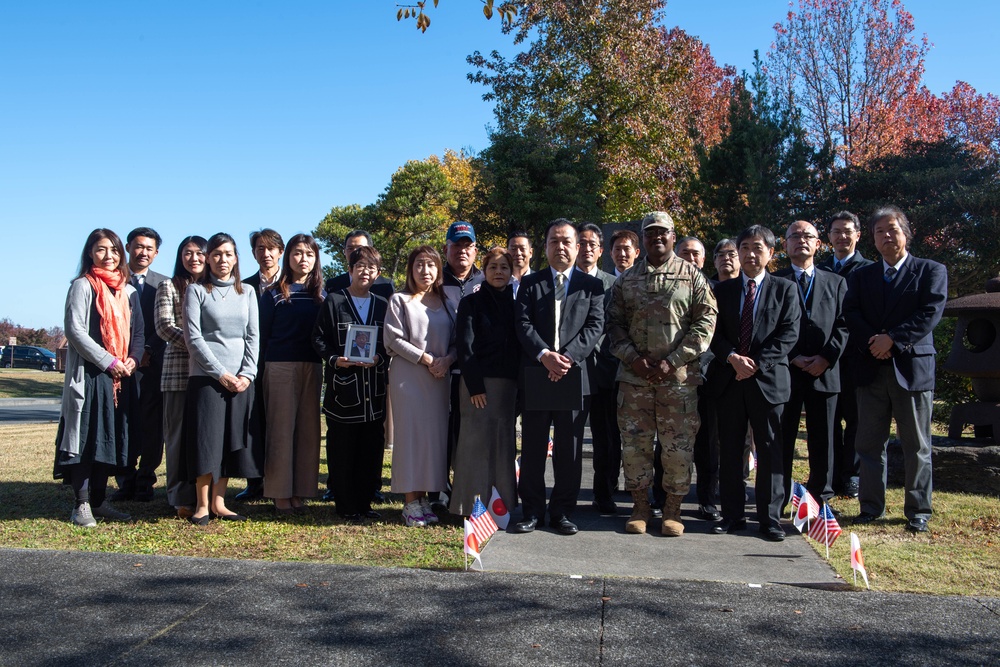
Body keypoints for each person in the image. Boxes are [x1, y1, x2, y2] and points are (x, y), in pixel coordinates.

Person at [607, 213, 717, 536]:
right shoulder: (625, 280)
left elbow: (705, 323)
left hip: (678, 382)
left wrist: (674, 360)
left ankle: (673, 510)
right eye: (650, 233)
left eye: (662, 233)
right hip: (634, 379)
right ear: (642, 239)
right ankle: (640, 507)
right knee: (635, 446)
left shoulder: (693, 277)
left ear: (673, 236)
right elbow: (613, 325)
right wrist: (632, 358)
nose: (656, 237)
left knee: (678, 448)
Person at [844, 206, 947, 533]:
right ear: (872, 238)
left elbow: (930, 313)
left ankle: (918, 510)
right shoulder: (862, 276)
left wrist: (893, 339)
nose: (887, 236)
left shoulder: (931, 270)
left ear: (906, 232)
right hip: (871, 368)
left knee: (917, 445)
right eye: (879, 231)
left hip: (912, 369)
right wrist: (875, 342)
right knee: (869, 443)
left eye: (893, 229)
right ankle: (871, 507)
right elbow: (852, 314)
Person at [707, 225, 800, 541]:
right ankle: (732, 515)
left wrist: (756, 363)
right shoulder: (722, 291)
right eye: (743, 247)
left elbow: (788, 333)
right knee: (731, 450)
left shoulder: (785, 289)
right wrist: (732, 357)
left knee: (771, 451)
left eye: (757, 247)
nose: (749, 253)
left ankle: (769, 518)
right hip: (729, 380)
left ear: (772, 253)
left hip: (769, 381)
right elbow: (712, 334)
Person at [513, 219, 604, 536]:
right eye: (554, 241)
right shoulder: (530, 283)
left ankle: (562, 511)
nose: (560, 246)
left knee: (570, 449)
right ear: (546, 247)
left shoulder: (592, 286)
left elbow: (595, 327)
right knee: (534, 448)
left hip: (572, 374)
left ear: (578, 247)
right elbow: (522, 324)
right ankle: (532, 511)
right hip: (537, 373)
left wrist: (565, 358)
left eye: (567, 241)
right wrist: (544, 356)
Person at [54, 229, 144, 527]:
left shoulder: (127, 291)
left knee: (108, 439)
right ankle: (81, 505)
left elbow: (139, 334)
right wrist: (109, 361)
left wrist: (131, 360)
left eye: (115, 250)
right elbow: (75, 331)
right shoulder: (82, 286)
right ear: (90, 253)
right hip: (91, 375)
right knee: (85, 439)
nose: (109, 256)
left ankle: (99, 501)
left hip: (119, 379)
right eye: (102, 249)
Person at [183, 232, 260, 525]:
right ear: (208, 259)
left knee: (229, 441)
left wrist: (247, 374)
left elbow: (253, 336)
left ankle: (219, 502)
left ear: (236, 258)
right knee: (206, 441)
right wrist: (220, 373)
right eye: (216, 254)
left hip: (240, 380)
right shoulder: (197, 291)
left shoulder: (248, 292)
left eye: (228, 254)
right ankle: (202, 505)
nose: (222, 260)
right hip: (206, 379)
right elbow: (194, 338)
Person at [312, 245, 389, 522]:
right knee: (343, 448)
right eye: (360, 266)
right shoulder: (334, 301)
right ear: (350, 270)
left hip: (373, 390)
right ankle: (345, 504)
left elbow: (387, 342)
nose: (365, 271)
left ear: (378, 273)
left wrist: (380, 357)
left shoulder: (382, 304)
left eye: (371, 267)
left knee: (371, 448)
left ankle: (365, 501)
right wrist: (335, 359)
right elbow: (318, 339)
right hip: (344, 389)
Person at [774, 221, 848, 508]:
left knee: (825, 437)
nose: (801, 241)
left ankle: (821, 496)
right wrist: (791, 356)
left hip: (824, 371)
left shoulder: (836, 282)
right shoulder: (776, 281)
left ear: (819, 244)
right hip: (786, 370)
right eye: (794, 236)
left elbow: (844, 325)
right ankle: (777, 496)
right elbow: (769, 325)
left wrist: (826, 358)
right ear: (785, 245)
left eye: (808, 236)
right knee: (782, 437)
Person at [384, 246, 457, 527]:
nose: (425, 270)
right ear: (410, 269)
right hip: (409, 377)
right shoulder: (399, 300)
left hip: (439, 379)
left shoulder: (447, 302)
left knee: (433, 440)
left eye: (431, 265)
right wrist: (427, 359)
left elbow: (456, 341)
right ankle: (410, 502)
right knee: (411, 439)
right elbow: (393, 340)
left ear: (438, 269)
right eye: (419, 265)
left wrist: (447, 360)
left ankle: (425, 498)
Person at [450, 247, 521, 515]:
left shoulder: (517, 305)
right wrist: (476, 385)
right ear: (485, 271)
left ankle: (502, 506)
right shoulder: (471, 303)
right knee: (474, 443)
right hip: (476, 385)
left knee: (503, 444)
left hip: (507, 386)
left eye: (504, 267)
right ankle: (469, 506)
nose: (499, 272)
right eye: (493, 267)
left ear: (512, 272)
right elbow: (465, 347)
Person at [259, 233, 325, 514]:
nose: (304, 259)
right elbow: (261, 335)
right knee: (281, 431)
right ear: (288, 257)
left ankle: (301, 490)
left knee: (308, 431)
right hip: (280, 366)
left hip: (313, 365)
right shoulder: (274, 292)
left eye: (309, 254)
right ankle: (279, 493)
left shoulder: (321, 295)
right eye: (298, 253)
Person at [818, 210, 874, 498]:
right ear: (828, 237)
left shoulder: (869, 270)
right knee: (828, 422)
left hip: (855, 356)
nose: (842, 236)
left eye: (847, 230)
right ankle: (829, 476)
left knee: (855, 419)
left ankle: (851, 475)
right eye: (836, 231)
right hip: (825, 359)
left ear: (858, 235)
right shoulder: (820, 269)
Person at [153, 235, 207, 519]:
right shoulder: (168, 286)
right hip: (178, 373)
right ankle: (177, 496)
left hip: (209, 374)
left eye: (200, 253)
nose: (194, 258)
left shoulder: (214, 288)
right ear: (180, 256)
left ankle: (203, 496)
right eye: (188, 253)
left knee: (202, 438)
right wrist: (198, 344)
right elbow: (164, 326)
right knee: (177, 438)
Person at [113, 227, 167, 502]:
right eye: (138, 246)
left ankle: (146, 479)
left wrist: (146, 350)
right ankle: (125, 480)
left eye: (149, 248)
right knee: (123, 422)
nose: (143, 252)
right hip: (118, 365)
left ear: (156, 253)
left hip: (152, 364)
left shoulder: (163, 283)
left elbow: (168, 323)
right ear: (127, 247)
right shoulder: (114, 280)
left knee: (151, 424)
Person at [674, 234, 723, 522]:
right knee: (669, 443)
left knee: (707, 444)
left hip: (707, 377)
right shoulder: (664, 288)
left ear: (703, 259)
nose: (691, 259)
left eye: (696, 254)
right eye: (685, 253)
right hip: (673, 377)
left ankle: (707, 500)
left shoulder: (717, 289)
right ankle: (663, 498)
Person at [438, 221, 485, 512]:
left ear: (475, 249)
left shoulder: (487, 277)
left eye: (467, 245)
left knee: (468, 435)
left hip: (474, 374)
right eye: (456, 245)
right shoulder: (434, 278)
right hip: (439, 369)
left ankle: (469, 491)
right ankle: (439, 490)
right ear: (447, 248)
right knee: (442, 433)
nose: (462, 251)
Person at [576, 223, 622, 516]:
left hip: (606, 370)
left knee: (607, 438)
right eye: (582, 243)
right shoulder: (566, 282)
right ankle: (567, 493)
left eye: (593, 244)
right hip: (573, 370)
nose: (587, 248)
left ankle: (604, 494)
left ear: (601, 251)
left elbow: (618, 325)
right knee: (572, 437)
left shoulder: (612, 283)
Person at [236, 228, 284, 501]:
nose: (265, 254)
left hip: (281, 361)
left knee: (278, 423)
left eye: (270, 248)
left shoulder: (292, 282)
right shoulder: (242, 286)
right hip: (250, 365)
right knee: (253, 423)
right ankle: (254, 482)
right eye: (259, 249)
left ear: (280, 251)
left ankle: (279, 481)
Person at [324, 230, 395, 300]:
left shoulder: (385, 285)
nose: (355, 252)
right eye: (350, 249)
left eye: (360, 248)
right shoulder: (333, 284)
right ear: (344, 252)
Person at [506, 230, 533, 298]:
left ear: (531, 252)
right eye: (513, 249)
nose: (518, 253)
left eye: (522, 249)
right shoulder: (501, 282)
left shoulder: (540, 282)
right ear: (507, 252)